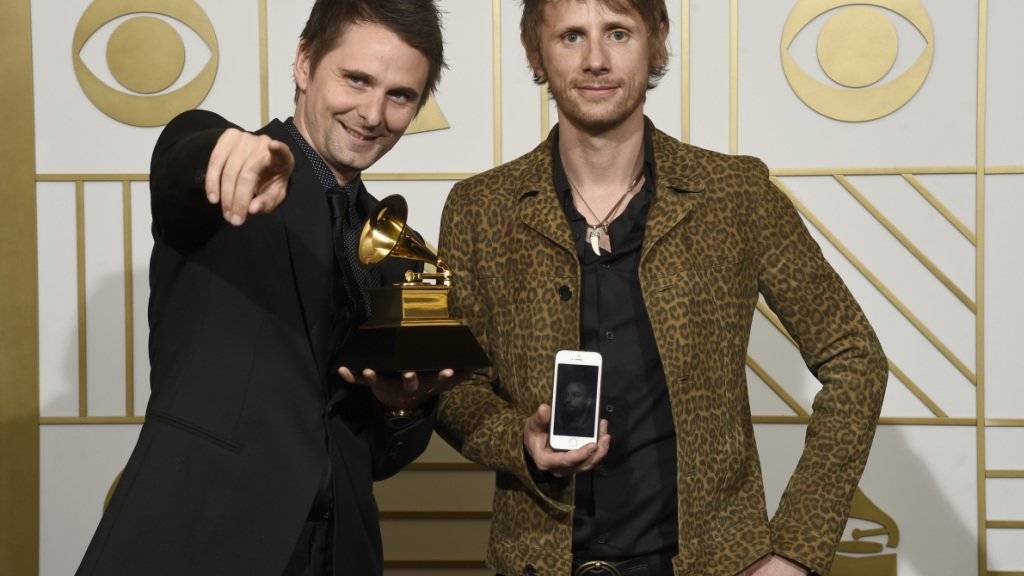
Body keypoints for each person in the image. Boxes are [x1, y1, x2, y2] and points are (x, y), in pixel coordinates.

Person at [434, 1, 888, 575]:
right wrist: (518, 439)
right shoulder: (480, 210)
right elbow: (452, 387)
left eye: (617, 33)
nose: (595, 59)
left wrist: (797, 547)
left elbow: (855, 357)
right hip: (538, 561)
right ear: (536, 52)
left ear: (656, 41)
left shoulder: (734, 194)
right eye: (572, 36)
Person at [76, 1, 452, 575]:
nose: (373, 113)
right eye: (356, 79)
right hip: (199, 542)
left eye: (400, 95)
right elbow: (184, 158)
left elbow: (375, 455)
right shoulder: (237, 173)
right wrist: (223, 153)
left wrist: (402, 411)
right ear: (304, 64)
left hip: (340, 555)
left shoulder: (403, 250)